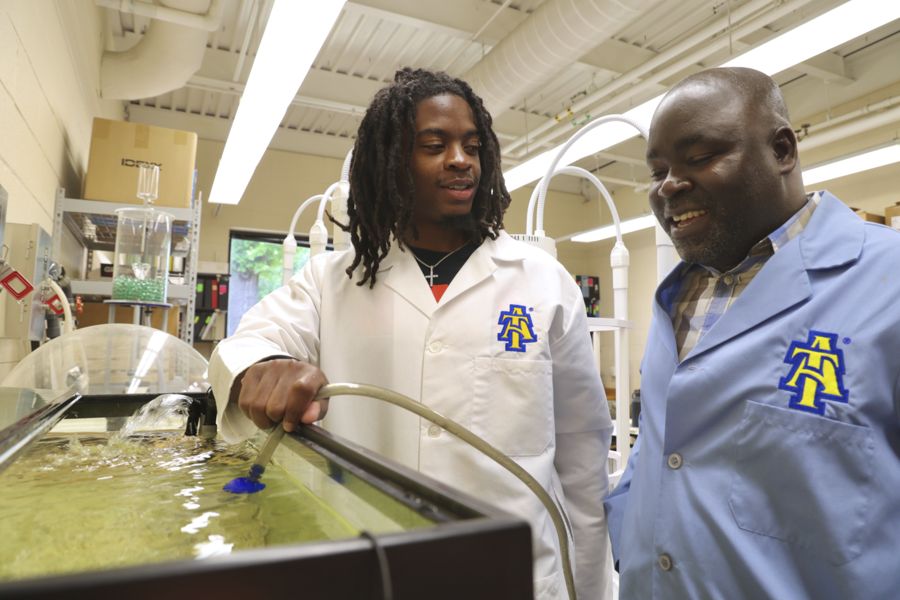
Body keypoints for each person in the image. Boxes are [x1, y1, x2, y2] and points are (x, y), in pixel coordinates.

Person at [208, 67, 614, 600]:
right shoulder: (334, 281)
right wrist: (262, 368)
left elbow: (582, 462)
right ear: (392, 163)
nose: (461, 159)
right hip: (374, 569)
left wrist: (589, 588)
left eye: (472, 145)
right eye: (434, 144)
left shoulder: (542, 281)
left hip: (515, 575)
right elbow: (250, 342)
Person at [604, 66, 900, 599]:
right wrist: (630, 535)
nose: (669, 185)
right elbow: (661, 442)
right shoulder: (680, 296)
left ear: (783, 151)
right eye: (657, 170)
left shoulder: (889, 285)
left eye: (698, 158)